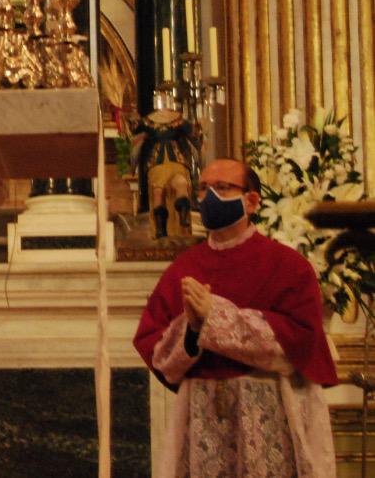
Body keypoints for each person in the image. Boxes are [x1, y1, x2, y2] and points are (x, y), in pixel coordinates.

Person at [134, 158, 337, 478]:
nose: (209, 196)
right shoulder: (183, 268)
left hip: (266, 411)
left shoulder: (288, 265)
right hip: (200, 415)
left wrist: (215, 318)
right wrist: (192, 329)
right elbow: (156, 351)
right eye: (202, 188)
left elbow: (300, 341)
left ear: (252, 201)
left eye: (222, 188)